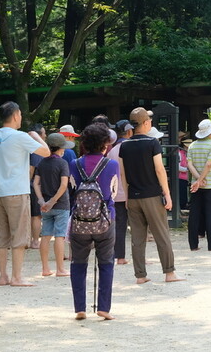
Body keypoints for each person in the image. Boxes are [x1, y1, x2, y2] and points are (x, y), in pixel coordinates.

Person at [0, 101, 50, 287]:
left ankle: (3, 276)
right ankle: (16, 277)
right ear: (16, 115)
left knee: (2, 234)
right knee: (19, 234)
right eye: (21, 115)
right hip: (17, 191)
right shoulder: (20, 137)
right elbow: (46, 152)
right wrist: (36, 136)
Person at [118, 107, 183, 283]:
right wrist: (167, 194)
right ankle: (169, 273)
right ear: (146, 123)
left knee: (137, 238)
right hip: (152, 195)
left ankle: (140, 276)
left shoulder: (124, 146)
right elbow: (160, 170)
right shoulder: (152, 143)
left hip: (132, 196)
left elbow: (123, 173)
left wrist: (126, 196)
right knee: (162, 234)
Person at [68, 124, 118, 320]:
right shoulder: (112, 165)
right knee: (106, 263)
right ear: (105, 144)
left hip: (79, 221)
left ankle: (80, 308)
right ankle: (103, 307)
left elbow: (72, 190)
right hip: (105, 220)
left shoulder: (74, 164)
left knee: (78, 263)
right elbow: (112, 192)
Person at [33, 133, 71, 278]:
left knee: (46, 236)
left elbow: (36, 183)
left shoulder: (42, 163)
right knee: (60, 236)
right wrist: (53, 201)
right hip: (60, 205)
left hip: (45, 207)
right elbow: (63, 185)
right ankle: (60, 269)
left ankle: (45, 268)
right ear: (61, 148)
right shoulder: (62, 163)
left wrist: (42, 200)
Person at [186, 119, 211, 252]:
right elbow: (209, 164)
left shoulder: (192, 145)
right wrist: (201, 179)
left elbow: (189, 164)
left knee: (194, 214)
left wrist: (197, 180)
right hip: (210, 184)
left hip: (195, 185)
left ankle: (193, 245)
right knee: (210, 214)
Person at [108, 118, 130, 265]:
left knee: (119, 225)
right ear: (129, 131)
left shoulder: (111, 152)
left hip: (116, 194)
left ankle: (119, 256)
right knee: (139, 225)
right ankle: (141, 257)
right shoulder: (131, 147)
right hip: (132, 192)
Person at [27, 123, 48, 250]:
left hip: (29, 185)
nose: (45, 135)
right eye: (44, 133)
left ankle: (29, 239)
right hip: (33, 185)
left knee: (30, 214)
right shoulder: (36, 149)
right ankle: (35, 241)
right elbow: (31, 170)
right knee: (35, 215)